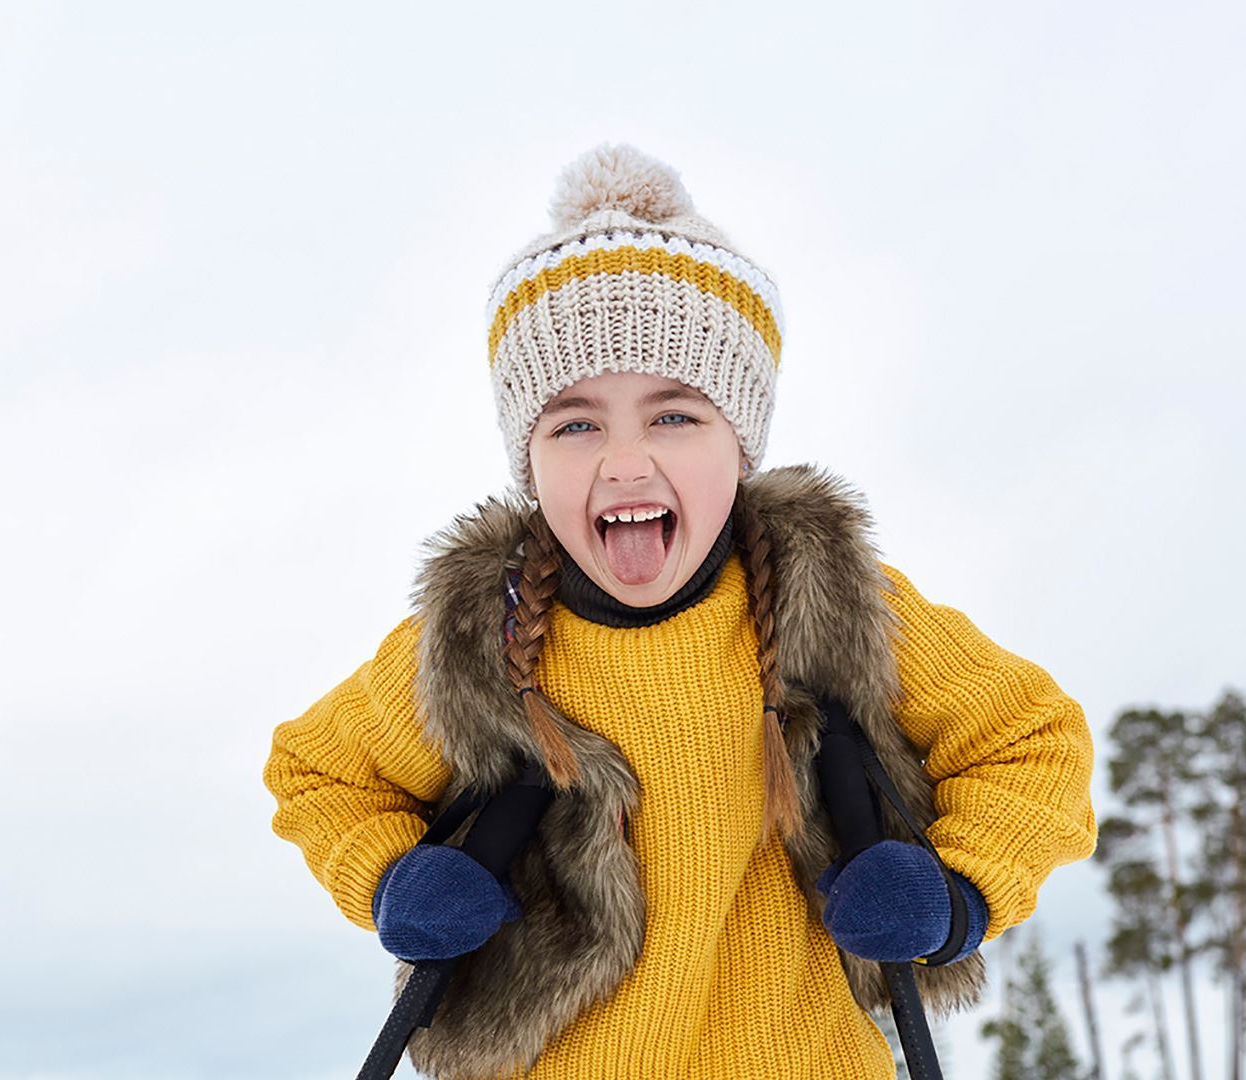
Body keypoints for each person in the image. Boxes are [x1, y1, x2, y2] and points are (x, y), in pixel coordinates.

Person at [262, 143, 1097, 1079]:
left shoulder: (835, 603)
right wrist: (390, 879)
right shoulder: (472, 640)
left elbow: (1032, 738)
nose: (624, 461)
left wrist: (959, 895)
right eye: (575, 424)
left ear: (740, 445)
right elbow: (321, 771)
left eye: (674, 415)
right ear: (527, 459)